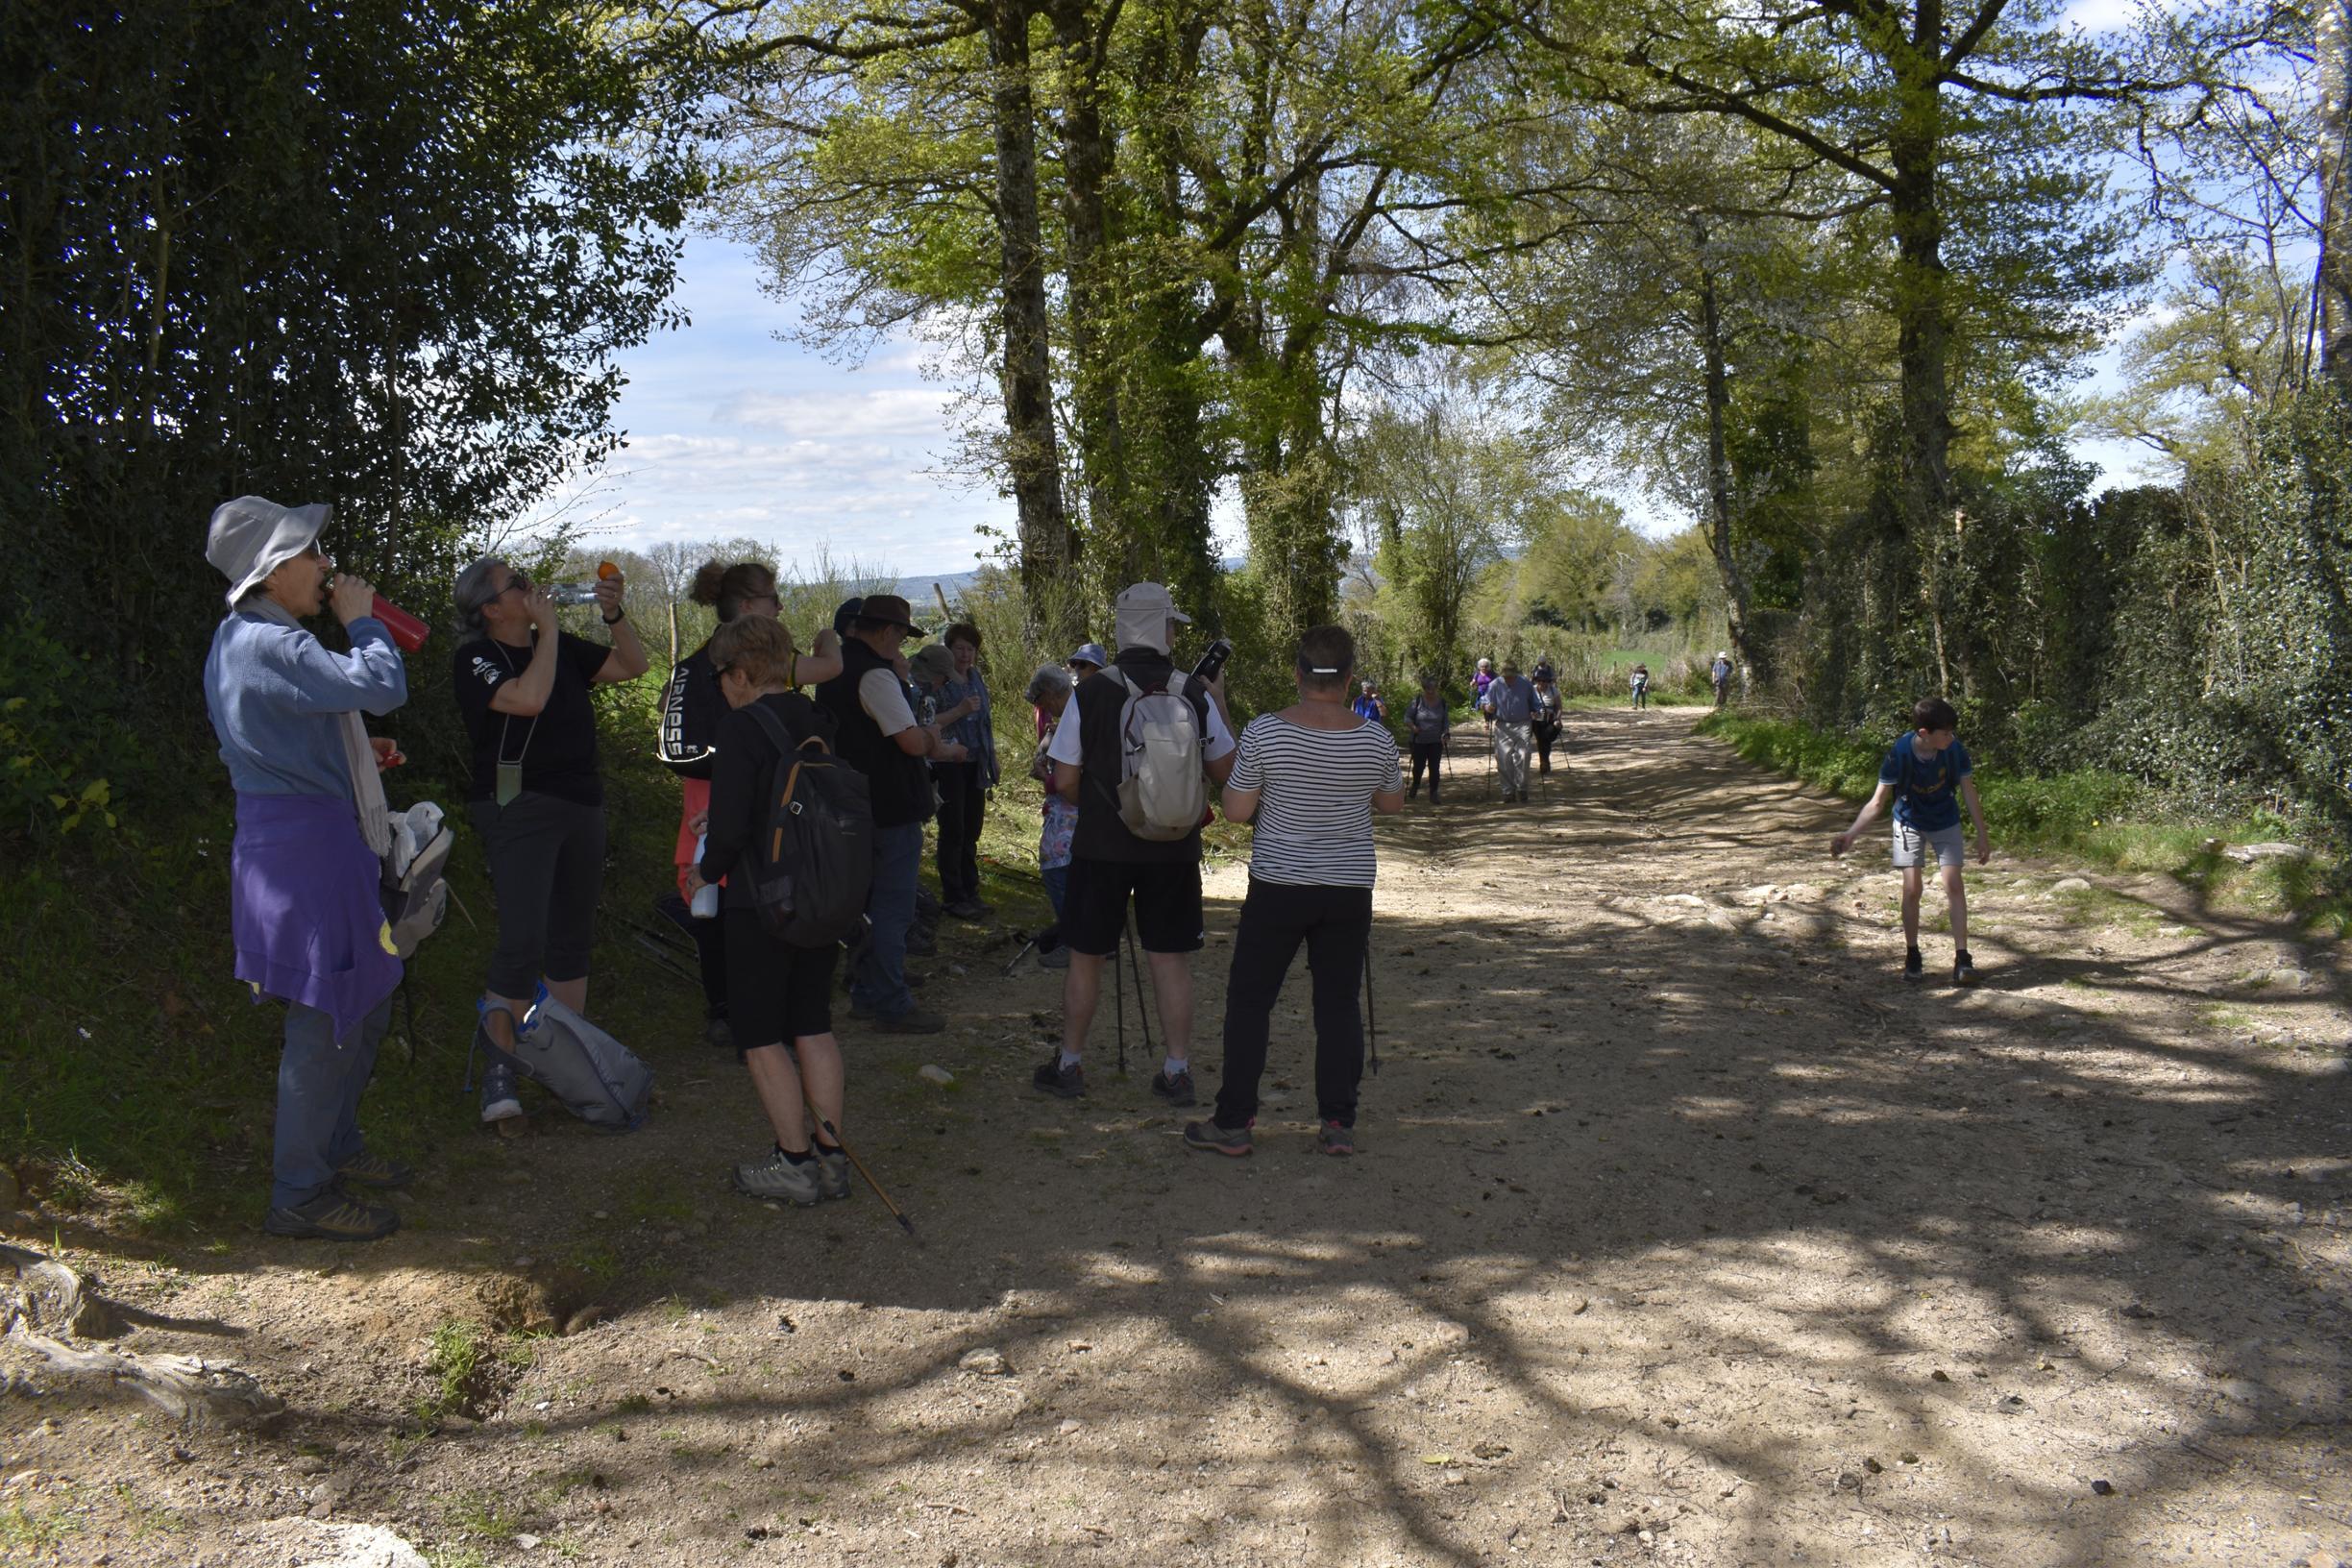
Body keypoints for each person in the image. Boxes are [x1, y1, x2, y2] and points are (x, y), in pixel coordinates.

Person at [203, 497, 413, 1240]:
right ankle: (300, 1191)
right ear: (273, 571)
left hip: (294, 841)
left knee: (367, 998)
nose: (326, 566)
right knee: (326, 1018)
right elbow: (383, 686)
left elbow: (277, 736)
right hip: (309, 854)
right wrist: (363, 620)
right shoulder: (272, 643)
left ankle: (333, 1144)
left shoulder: (241, 639)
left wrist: (350, 755)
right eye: (312, 554)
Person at [1184, 625, 1404, 1158]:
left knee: (1251, 1002)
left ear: (1298, 674)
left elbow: (1237, 811)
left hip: (1279, 885)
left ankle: (1234, 1121)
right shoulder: (1376, 738)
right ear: (1349, 679)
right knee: (1338, 1004)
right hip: (1348, 887)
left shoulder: (1266, 732)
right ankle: (1337, 1121)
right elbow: (1391, 804)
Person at [453, 554, 649, 1126]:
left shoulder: (552, 644)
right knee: (522, 938)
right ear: (492, 609)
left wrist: (614, 616)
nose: (531, 588)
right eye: (517, 585)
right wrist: (552, 632)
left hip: (580, 801)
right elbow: (528, 699)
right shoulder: (476, 658)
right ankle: (499, 1070)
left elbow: (633, 665)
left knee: (571, 937)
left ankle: (571, 1066)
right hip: (518, 804)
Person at [1036, 582, 1237, 1102]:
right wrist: (1218, 700)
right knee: (1169, 958)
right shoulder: (1192, 691)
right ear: (1162, 629)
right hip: (1174, 845)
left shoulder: (1090, 693)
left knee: (1086, 956)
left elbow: (1065, 778)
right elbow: (1225, 770)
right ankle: (1176, 1071)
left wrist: (1102, 807)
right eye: (1172, 625)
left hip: (1101, 846)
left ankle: (1070, 1064)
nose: (1175, 634)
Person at [685, 616, 852, 1205]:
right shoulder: (816, 719)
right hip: (818, 893)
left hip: (760, 900)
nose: (719, 687)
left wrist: (703, 871)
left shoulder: (740, 727)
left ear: (740, 673)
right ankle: (832, 1160)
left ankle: (793, 1164)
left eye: (720, 675)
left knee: (760, 1035)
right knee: (812, 1024)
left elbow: (732, 832)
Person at [657, 560, 843, 1051]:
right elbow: (831, 667)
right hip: (740, 798)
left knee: (729, 904)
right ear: (746, 606)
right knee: (737, 903)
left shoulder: (702, 664)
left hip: (727, 796)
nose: (780, 606)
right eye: (772, 599)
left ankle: (740, 1012)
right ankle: (748, 1015)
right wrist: (829, 637)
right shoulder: (743, 660)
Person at [815, 595, 966, 1032]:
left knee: (865, 905)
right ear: (886, 631)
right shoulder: (876, 676)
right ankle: (891, 1003)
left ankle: (868, 992)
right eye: (901, 635)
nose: (901, 645)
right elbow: (911, 742)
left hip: (850, 801)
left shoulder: (836, 669)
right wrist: (934, 735)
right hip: (888, 804)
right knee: (892, 908)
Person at [1830, 697, 1990, 985]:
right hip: (1909, 822)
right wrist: (1851, 835)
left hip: (1945, 820)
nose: (1951, 737)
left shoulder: (1954, 751)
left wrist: (1982, 834)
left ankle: (1962, 958)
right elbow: (1877, 802)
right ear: (1924, 733)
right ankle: (1913, 954)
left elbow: (1968, 791)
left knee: (1954, 884)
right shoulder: (1900, 754)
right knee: (1912, 888)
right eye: (1946, 733)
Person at [933, 623, 999, 920]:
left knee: (972, 828)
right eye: (959, 648)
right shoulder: (939, 680)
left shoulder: (976, 677)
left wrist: (991, 758)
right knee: (953, 829)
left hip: (976, 763)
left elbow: (985, 721)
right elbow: (927, 720)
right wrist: (959, 710)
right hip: (948, 763)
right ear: (948, 650)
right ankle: (954, 896)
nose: (965, 654)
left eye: (970, 649)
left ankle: (971, 891)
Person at [1025, 664, 1078, 968]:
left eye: (1041, 700)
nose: (1043, 708)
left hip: (1071, 811)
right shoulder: (1077, 712)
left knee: (1057, 867)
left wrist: (1046, 777)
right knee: (1077, 874)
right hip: (1077, 809)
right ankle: (1091, 940)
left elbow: (1068, 781)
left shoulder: (1074, 716)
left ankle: (1074, 942)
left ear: (1050, 694)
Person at [1480, 660, 1538, 803]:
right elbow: (1483, 701)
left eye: (1511, 676)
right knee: (1503, 759)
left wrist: (1536, 711)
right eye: (1506, 676)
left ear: (1516, 674)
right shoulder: (1495, 685)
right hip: (1502, 725)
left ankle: (1522, 788)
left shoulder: (1525, 684)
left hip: (1523, 724)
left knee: (1524, 756)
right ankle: (1508, 791)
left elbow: (1535, 703)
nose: (1509, 679)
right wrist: (1487, 707)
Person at [1403, 677, 1449, 803]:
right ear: (1424, 689)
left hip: (1436, 740)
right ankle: (1416, 784)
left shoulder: (1442, 702)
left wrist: (1445, 733)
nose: (1431, 691)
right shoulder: (1417, 701)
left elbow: (1445, 721)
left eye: (1433, 688)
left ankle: (1434, 793)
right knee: (1419, 766)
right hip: (1418, 740)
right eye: (1428, 688)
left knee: (1434, 767)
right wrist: (1413, 727)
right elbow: (1407, 717)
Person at [1531, 669, 1564, 775]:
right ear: (1536, 681)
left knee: (1546, 738)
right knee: (1542, 740)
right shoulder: (1531, 690)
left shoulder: (1554, 691)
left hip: (1550, 720)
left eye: (1545, 681)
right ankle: (1544, 762)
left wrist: (1557, 719)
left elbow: (1559, 707)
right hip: (1536, 721)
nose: (1542, 683)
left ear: (1549, 682)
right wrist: (1531, 713)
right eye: (1540, 680)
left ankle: (1544, 761)